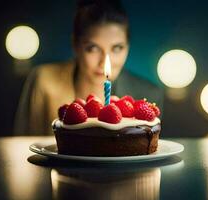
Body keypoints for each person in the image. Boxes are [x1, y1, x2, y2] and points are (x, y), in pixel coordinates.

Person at [14, 0, 163, 135]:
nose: (105, 62)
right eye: (93, 48)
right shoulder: (44, 80)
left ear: (128, 47)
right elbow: (23, 147)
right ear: (75, 45)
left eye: (117, 48)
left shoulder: (148, 94)